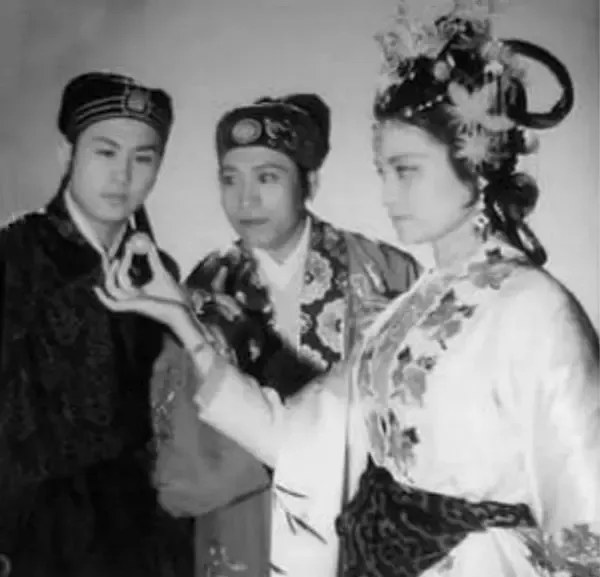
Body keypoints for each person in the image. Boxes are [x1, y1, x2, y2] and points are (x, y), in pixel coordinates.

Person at [96, 2, 600, 576]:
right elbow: (293, 437)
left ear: (475, 163)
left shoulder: (535, 309)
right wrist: (182, 319)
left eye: (406, 170)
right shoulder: (405, 315)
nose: (388, 195)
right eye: (383, 172)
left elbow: (588, 514)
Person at [152, 92, 420, 575]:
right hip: (244, 525)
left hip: (358, 521)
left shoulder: (385, 273)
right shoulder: (202, 290)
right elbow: (181, 455)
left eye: (267, 178)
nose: (245, 200)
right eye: (230, 179)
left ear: (309, 181)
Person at [0, 71, 194, 576]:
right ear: (67, 154)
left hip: (145, 535)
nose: (122, 175)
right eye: (105, 152)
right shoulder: (15, 256)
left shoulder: (158, 270)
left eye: (143, 158)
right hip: (39, 536)